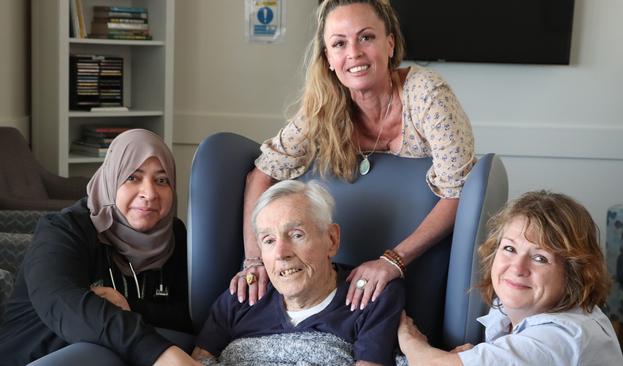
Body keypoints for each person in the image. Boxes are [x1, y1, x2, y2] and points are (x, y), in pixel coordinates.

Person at [233, 0, 475, 311]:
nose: (354, 53)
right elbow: (262, 172)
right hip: (339, 261)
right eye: (339, 43)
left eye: (366, 37)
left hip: (427, 256)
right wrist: (254, 260)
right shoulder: (323, 107)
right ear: (329, 59)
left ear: (390, 44)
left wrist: (393, 261)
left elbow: (461, 189)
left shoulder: (427, 95)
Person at [0, 129, 198, 365]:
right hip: (36, 354)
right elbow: (63, 304)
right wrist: (157, 351)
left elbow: (190, 314)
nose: (149, 193)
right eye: (132, 177)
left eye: (161, 180)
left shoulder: (174, 235)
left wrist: (128, 305)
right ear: (111, 179)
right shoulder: (64, 230)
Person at [397, 191, 623, 366]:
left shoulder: (562, 335)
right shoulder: (511, 307)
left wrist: (408, 339)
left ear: (574, 273)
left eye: (540, 258)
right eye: (509, 248)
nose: (517, 268)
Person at [193, 180, 404, 365]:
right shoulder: (241, 295)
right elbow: (198, 361)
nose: (280, 253)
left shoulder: (371, 295)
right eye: (269, 240)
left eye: (296, 235)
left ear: (331, 239)